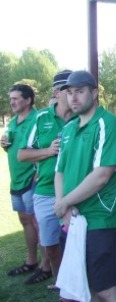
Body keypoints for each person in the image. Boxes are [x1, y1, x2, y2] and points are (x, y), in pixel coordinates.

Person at [53, 70, 116, 302]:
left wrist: (65, 201)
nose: (73, 98)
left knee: (104, 287)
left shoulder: (108, 124)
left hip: (100, 218)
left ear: (94, 93)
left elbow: (102, 175)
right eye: (70, 92)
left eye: (80, 92)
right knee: (80, 285)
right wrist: (61, 204)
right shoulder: (68, 129)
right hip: (71, 218)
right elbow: (59, 172)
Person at [18, 70, 74, 289]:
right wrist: (49, 151)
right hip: (45, 192)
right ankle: (61, 283)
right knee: (50, 245)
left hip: (76, 193)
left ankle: (78, 283)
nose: (71, 95)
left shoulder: (84, 118)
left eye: (75, 90)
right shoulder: (42, 118)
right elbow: (22, 154)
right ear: (56, 92)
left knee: (76, 243)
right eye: (66, 91)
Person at [2, 84, 53, 285]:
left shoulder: (38, 119)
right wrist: (5, 145)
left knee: (38, 223)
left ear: (28, 100)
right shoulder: (14, 122)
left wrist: (38, 171)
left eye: (16, 98)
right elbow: (17, 148)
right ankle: (32, 261)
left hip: (32, 181)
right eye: (11, 98)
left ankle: (46, 266)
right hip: (17, 180)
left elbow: (44, 147)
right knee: (25, 221)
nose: (12, 102)